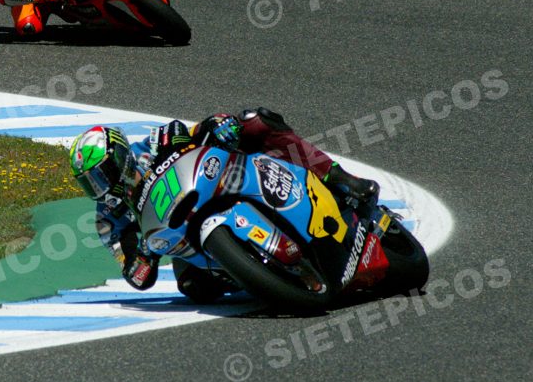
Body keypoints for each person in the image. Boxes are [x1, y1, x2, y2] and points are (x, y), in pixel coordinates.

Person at [68, 107, 380, 303]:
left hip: (217, 181)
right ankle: (257, 276)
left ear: (121, 155)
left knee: (256, 122)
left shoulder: (150, 144)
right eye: (91, 183)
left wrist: (218, 125)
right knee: (191, 287)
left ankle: (338, 177)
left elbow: (194, 129)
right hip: (186, 241)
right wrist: (146, 254)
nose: (101, 186)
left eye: (103, 174)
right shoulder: (108, 220)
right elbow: (135, 277)